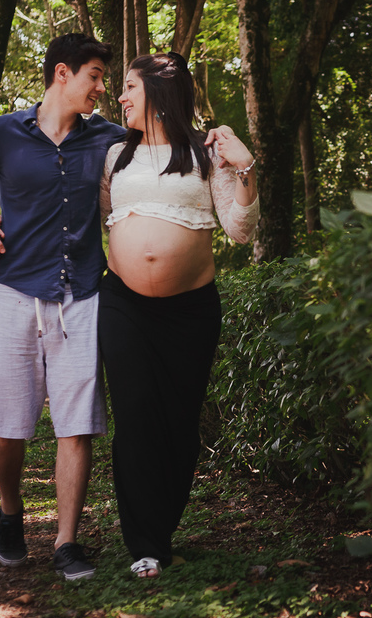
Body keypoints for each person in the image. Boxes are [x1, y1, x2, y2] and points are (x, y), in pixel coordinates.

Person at [0, 33, 124, 580]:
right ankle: (11, 509)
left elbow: (159, 137)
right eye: (94, 75)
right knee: (8, 427)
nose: (100, 89)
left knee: (77, 425)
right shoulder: (0, 132)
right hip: (14, 294)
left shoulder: (105, 139)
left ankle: (67, 542)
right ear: (61, 74)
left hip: (81, 296)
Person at [98, 51, 259, 578]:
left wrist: (245, 167)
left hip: (191, 310)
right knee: (136, 415)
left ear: (159, 94)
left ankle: (162, 527)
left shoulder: (203, 153)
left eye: (128, 86)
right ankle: (144, 543)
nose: (119, 96)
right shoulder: (114, 155)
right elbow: (98, 218)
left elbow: (240, 229)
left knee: (179, 422)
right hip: (123, 303)